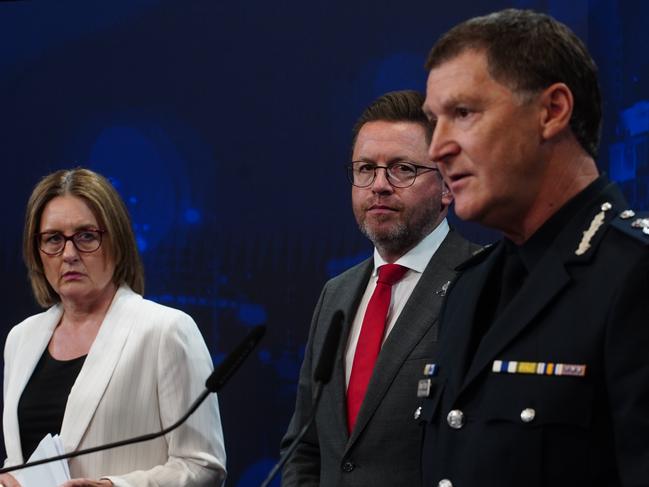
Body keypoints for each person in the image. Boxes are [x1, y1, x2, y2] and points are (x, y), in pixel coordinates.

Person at [419, 8, 649, 487]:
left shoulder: (635, 274)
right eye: (433, 121)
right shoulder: (467, 287)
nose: (437, 147)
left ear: (552, 111)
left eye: (463, 113)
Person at [280, 90, 478, 487]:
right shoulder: (335, 294)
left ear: (446, 185)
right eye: (365, 169)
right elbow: (305, 446)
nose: (379, 185)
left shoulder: (483, 280)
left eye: (402, 169)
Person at [0, 168, 226, 487]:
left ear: (117, 243)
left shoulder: (167, 331)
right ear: (36, 252)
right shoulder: (21, 338)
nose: (69, 254)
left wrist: (113, 486)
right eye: (53, 239)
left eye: (86, 236)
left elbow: (204, 466)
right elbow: (20, 460)